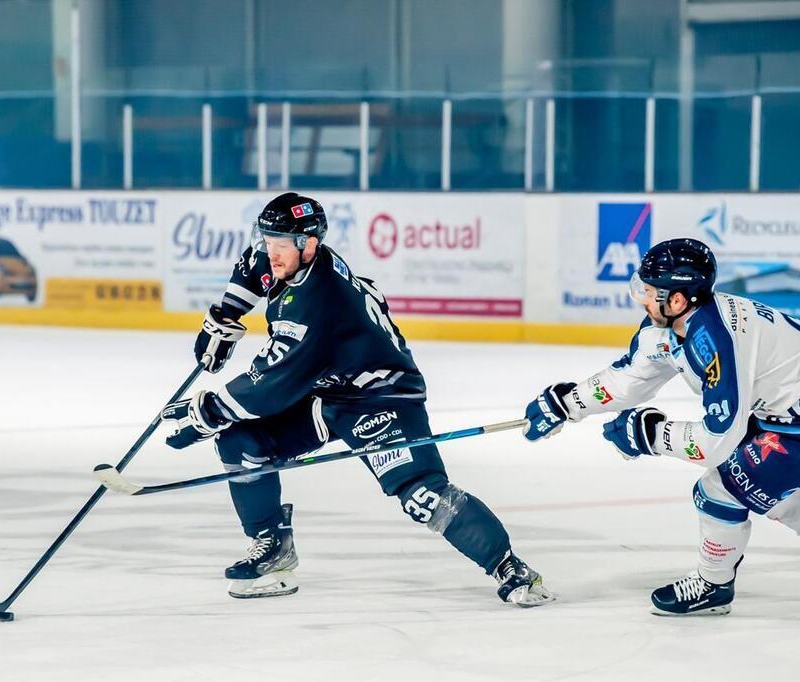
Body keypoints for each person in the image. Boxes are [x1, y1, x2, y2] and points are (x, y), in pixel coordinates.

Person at [161, 192, 553, 607]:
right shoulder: (292, 259)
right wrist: (225, 314)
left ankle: (509, 566)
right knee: (242, 440)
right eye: (268, 239)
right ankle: (273, 549)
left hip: (381, 397)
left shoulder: (322, 301)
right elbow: (254, 266)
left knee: (421, 496)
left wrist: (209, 411)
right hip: (329, 388)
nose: (270, 252)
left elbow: (271, 382)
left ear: (308, 243)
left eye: (280, 243)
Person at [522, 237, 800, 616]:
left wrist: (653, 434)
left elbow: (716, 442)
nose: (641, 299)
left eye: (648, 292)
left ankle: (713, 585)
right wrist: (568, 404)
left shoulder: (715, 340)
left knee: (722, 488)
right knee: (753, 477)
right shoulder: (674, 324)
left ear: (677, 300)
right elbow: (632, 376)